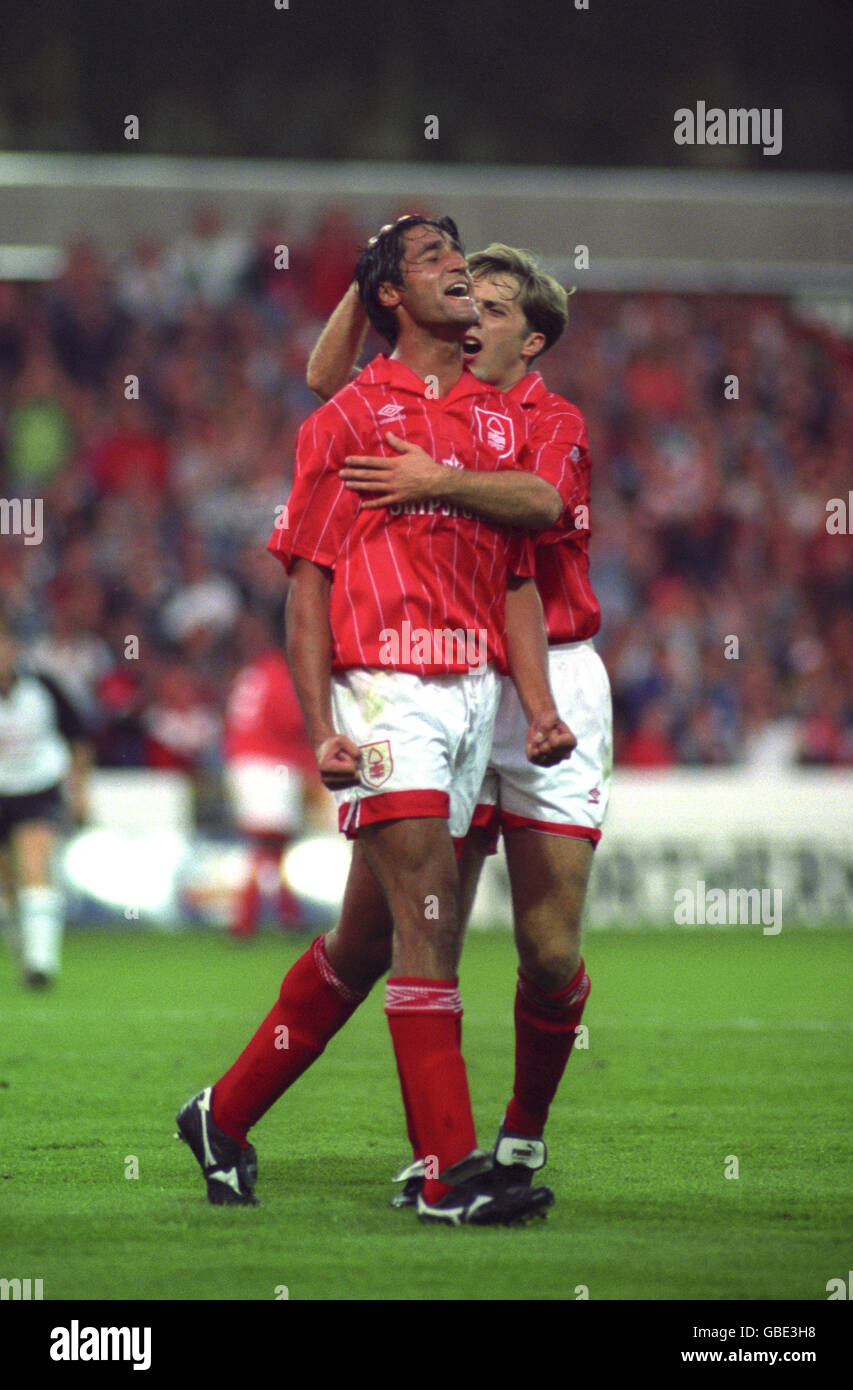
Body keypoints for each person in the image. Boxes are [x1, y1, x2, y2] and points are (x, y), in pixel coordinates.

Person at [176, 216, 576, 1226]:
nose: (460, 270)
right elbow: (304, 589)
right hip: (386, 688)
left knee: (361, 946)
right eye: (434, 261)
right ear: (390, 297)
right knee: (429, 918)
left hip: (475, 694)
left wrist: (532, 705)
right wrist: (320, 723)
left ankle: (220, 1115)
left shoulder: (496, 420)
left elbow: (522, 572)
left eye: (460, 255)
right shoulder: (347, 418)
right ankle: (445, 1170)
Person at [308, 239, 612, 1205]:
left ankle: (519, 1135)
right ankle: (448, 1155)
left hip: (553, 676)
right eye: (462, 292)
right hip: (456, 676)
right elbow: (325, 379)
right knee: (425, 921)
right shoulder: (433, 402)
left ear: (533, 338)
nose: (473, 311)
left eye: (491, 302)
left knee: (549, 950)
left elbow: (542, 503)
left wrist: (434, 479)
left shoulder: (545, 420)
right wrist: (370, 276)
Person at [0, 613, 91, 988]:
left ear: (15, 648)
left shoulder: (45, 687)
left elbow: (78, 737)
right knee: (6, 885)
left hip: (38, 787)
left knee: (36, 861)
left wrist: (80, 788)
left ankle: (41, 964)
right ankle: (21, 940)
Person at [222, 609, 319, 938]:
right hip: (270, 764)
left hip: (244, 761)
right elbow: (293, 723)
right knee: (268, 844)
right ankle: (248, 919)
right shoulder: (279, 674)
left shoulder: (253, 672)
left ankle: (284, 914)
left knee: (270, 845)